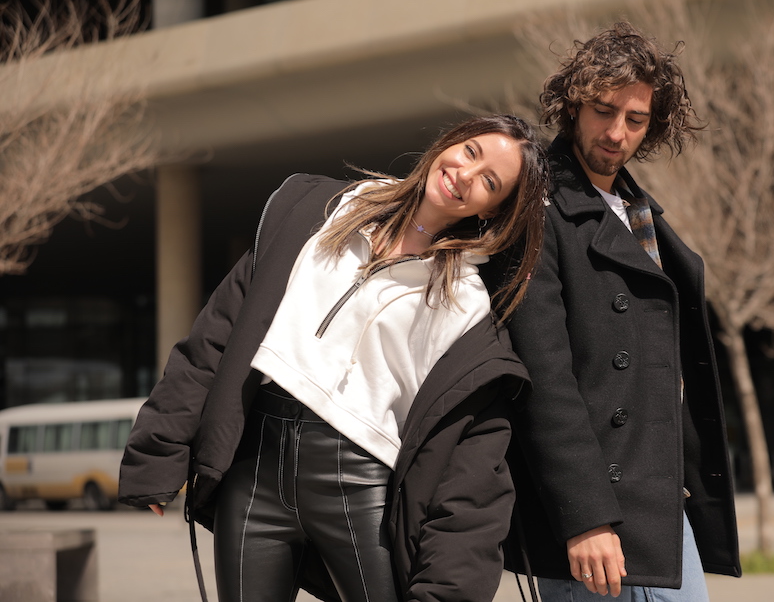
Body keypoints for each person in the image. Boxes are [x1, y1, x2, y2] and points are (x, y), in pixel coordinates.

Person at [118, 114, 548, 602]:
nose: (465, 175)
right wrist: (159, 449)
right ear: (450, 142)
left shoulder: (465, 300)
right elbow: (216, 334)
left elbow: (470, 456)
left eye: (489, 182)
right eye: (470, 152)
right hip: (254, 465)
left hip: (358, 481)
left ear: (496, 209)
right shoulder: (320, 210)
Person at [486, 22, 741, 601]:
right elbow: (544, 380)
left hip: (657, 503)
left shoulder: (636, 210)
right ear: (573, 104)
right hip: (601, 521)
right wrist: (585, 517)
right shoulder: (536, 207)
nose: (616, 132)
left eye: (636, 119)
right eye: (603, 110)